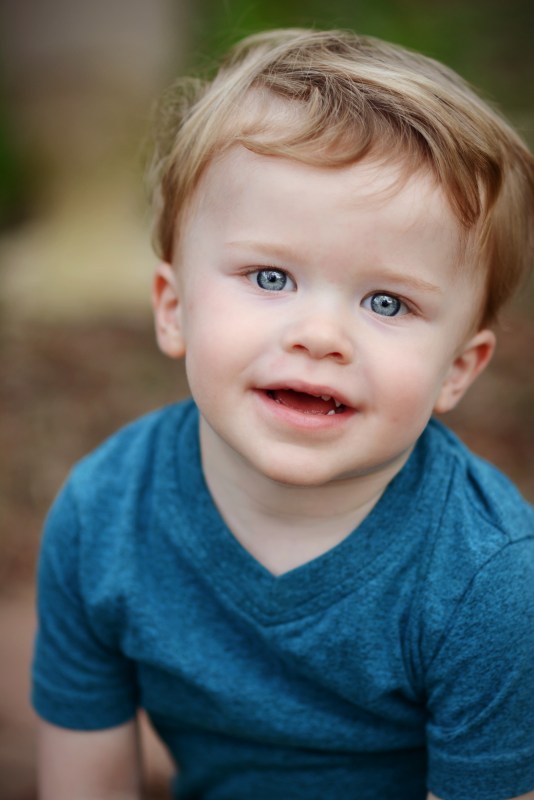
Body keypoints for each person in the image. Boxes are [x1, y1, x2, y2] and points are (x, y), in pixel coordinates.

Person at [32, 28, 534, 800]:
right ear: (173, 308)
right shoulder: (103, 516)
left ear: (457, 370)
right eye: (270, 276)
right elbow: (84, 781)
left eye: (386, 302)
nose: (320, 335)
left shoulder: (488, 584)